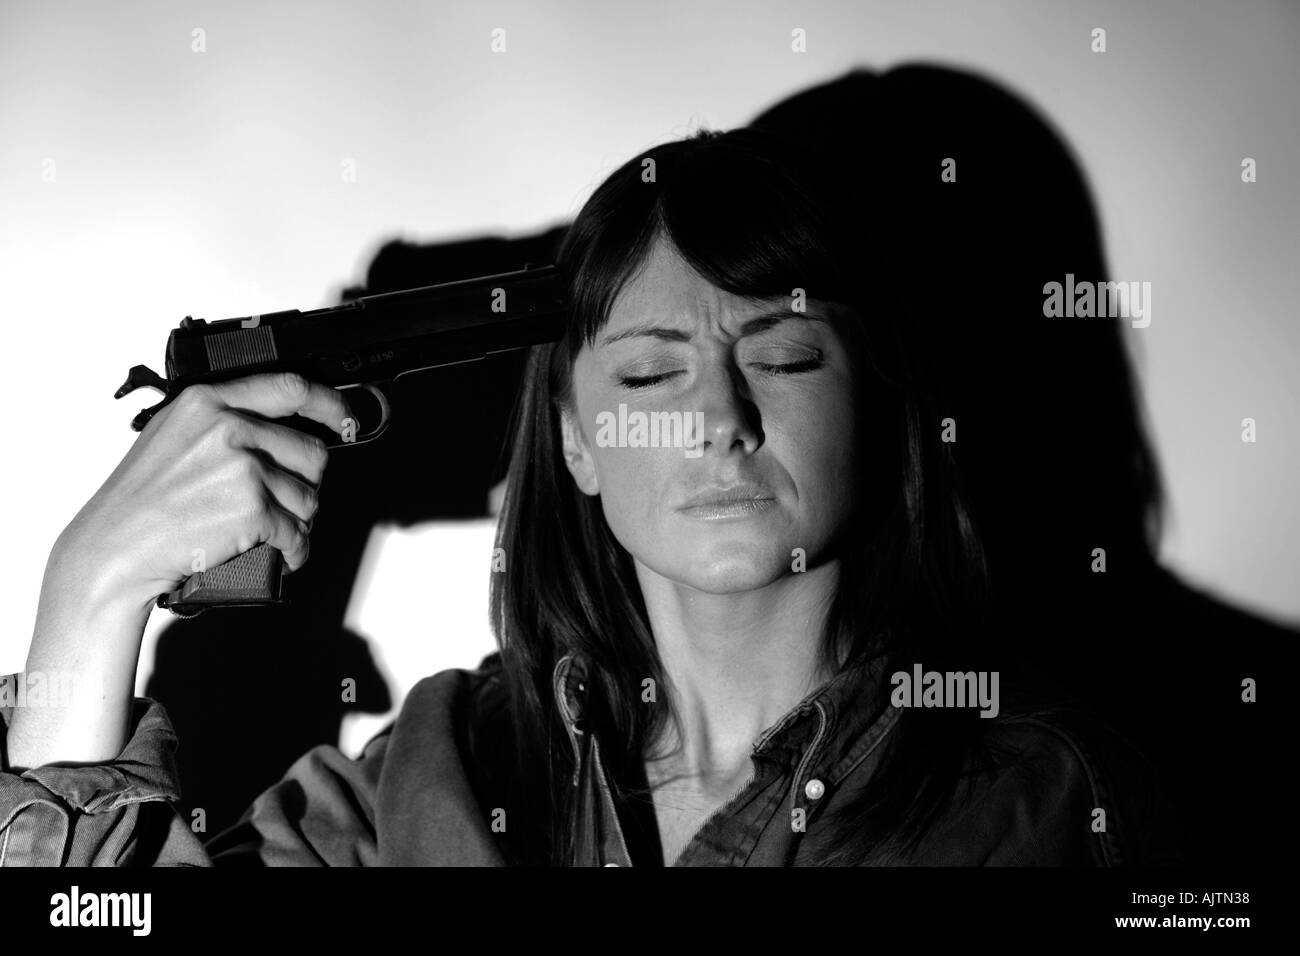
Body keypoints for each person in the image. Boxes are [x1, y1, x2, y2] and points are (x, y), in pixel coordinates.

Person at [0, 125, 1179, 866]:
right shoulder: (433, 771)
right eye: (651, 370)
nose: (717, 416)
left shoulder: (1047, 807)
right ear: (572, 438)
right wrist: (90, 596)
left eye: (784, 354)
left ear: (877, 405)